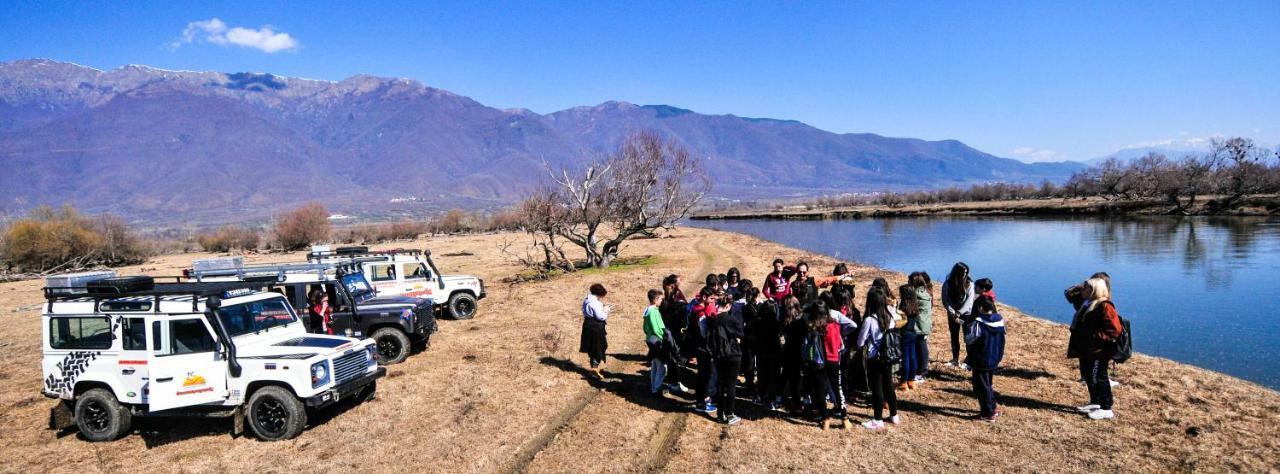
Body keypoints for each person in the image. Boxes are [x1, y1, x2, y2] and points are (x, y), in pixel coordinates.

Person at [1068, 278, 1124, 420]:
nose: (1083, 290)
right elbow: (1069, 294)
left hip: (1098, 351)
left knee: (1099, 377)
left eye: (1086, 288)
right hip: (1086, 349)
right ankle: (1095, 402)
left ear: (1094, 290)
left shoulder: (1105, 306)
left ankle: (1106, 408)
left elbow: (1114, 329)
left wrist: (1095, 338)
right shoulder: (1087, 303)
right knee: (1088, 376)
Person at [857, 288, 900, 429]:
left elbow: (860, 342)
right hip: (888, 355)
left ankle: (877, 419)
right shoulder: (891, 316)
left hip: (874, 357)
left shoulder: (869, 320)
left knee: (877, 388)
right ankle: (894, 415)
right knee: (888, 385)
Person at [805, 300, 850, 430]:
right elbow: (839, 345)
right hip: (833, 360)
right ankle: (844, 418)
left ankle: (825, 419)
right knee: (837, 389)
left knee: (820, 390)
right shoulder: (834, 325)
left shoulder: (813, 327)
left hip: (818, 362)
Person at [965, 295, 1006, 421]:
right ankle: (993, 407)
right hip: (994, 357)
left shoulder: (979, 323)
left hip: (981, 358)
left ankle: (988, 413)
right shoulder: (1000, 320)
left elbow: (969, 339)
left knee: (981, 386)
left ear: (980, 307)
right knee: (988, 384)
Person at [708, 296, 745, 425]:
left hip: (719, 355)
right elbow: (741, 334)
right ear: (729, 306)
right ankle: (730, 414)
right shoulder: (732, 319)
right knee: (731, 385)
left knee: (720, 383)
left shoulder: (713, 320)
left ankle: (720, 413)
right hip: (733, 354)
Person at [749, 287, 783, 410]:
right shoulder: (776, 323)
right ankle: (772, 400)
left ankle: (760, 396)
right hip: (774, 351)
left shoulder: (757, 321)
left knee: (763, 375)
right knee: (774, 376)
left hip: (761, 351)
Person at [941, 262, 976, 370]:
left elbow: (969, 301)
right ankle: (955, 359)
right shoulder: (947, 283)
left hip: (966, 315)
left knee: (968, 338)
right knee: (954, 336)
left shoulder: (970, 284)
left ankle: (969, 361)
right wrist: (952, 312)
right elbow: (945, 299)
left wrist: (959, 312)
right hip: (952, 315)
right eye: (963, 272)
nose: (965, 275)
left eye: (966, 272)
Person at [659, 275, 690, 393]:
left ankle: (672, 380)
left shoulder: (664, 300)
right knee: (675, 357)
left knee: (671, 358)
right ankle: (675, 382)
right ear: (674, 286)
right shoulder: (678, 303)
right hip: (676, 333)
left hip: (667, 332)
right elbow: (684, 319)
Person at [779, 295, 808, 413]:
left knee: (789, 376)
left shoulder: (785, 319)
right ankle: (799, 403)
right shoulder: (802, 318)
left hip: (790, 351)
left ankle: (780, 397)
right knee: (796, 378)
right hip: (802, 351)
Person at [579, 283, 611, 379]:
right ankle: (594, 368)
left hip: (587, 325)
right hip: (596, 327)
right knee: (599, 346)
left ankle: (594, 367)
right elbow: (601, 317)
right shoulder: (596, 303)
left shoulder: (586, 300)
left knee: (592, 347)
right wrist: (606, 310)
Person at [907, 272, 934, 385]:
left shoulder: (916, 295)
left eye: (909, 281)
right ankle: (921, 369)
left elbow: (909, 309)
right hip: (925, 323)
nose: (907, 283)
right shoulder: (925, 292)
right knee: (921, 346)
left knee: (921, 347)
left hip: (919, 324)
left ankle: (921, 372)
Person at [643, 289, 670, 395]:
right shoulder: (654, 311)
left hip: (650, 338)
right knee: (662, 366)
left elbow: (646, 327)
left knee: (654, 364)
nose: (662, 301)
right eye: (661, 299)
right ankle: (657, 387)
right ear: (655, 299)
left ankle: (653, 386)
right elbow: (656, 327)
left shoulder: (647, 310)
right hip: (656, 340)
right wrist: (663, 337)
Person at [897, 284, 922, 390]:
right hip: (913, 333)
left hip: (905, 333)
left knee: (905, 358)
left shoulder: (903, 307)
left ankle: (904, 381)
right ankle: (911, 380)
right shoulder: (915, 306)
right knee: (913, 357)